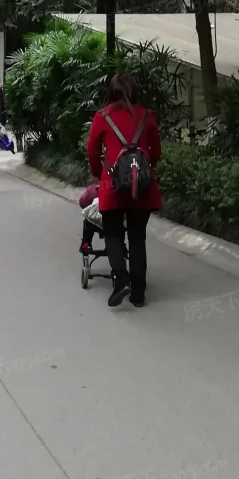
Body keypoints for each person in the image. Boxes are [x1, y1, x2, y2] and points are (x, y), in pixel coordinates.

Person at [85, 72, 162, 308]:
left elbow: (92, 151)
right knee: (137, 237)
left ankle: (121, 280)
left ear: (111, 92)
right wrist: (142, 171)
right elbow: (156, 151)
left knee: (113, 233)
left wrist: (98, 174)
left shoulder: (102, 116)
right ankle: (138, 293)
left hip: (112, 186)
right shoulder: (146, 115)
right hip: (142, 187)